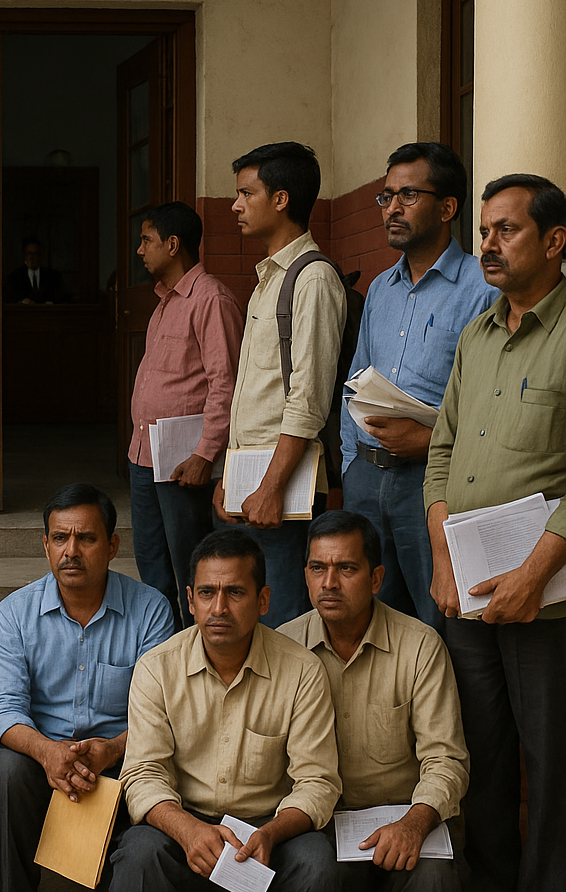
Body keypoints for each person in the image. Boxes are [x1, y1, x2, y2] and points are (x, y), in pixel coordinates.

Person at [424, 173, 566, 892]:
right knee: (480, 753)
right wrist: (444, 559)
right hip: (468, 593)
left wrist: (535, 574)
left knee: (551, 761)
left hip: (547, 599)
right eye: (484, 231)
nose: (488, 245)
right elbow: (442, 451)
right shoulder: (478, 334)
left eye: (505, 230)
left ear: (554, 240)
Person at [110, 529, 340, 892]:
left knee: (315, 860)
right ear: (190, 600)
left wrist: (270, 834)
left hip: (269, 826)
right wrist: (189, 831)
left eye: (235, 592)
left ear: (263, 599)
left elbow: (317, 781)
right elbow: (142, 774)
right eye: (207, 593)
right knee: (139, 852)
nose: (219, 608)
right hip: (185, 819)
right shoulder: (157, 668)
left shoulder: (302, 669)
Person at [0, 483, 174, 892]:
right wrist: (47, 752)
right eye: (60, 538)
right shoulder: (14, 612)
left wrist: (112, 749)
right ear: (45, 545)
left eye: (86, 538)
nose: (72, 551)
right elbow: (3, 709)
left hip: (122, 758)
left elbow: (162, 713)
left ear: (112, 545)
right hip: (41, 759)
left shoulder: (151, 609)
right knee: (1, 770)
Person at [341, 143, 494, 629]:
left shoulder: (483, 287)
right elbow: (355, 384)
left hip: (435, 483)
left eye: (408, 195)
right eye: (386, 197)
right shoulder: (380, 290)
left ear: (448, 207)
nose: (392, 208)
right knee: (372, 624)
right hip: (366, 479)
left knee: (440, 623)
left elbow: (493, 406)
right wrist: (351, 466)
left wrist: (429, 443)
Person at [279, 511, 468, 891]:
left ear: (377, 578)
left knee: (433, 878)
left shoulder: (419, 646)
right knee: (312, 869)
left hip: (405, 816)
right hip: (318, 824)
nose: (329, 583)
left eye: (346, 568)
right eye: (318, 568)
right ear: (306, 576)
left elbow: (446, 759)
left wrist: (414, 824)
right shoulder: (283, 646)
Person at [214, 142, 346, 627]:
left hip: (283, 489)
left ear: (282, 199)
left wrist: (271, 487)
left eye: (247, 193)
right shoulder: (269, 278)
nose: (236, 205)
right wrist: (230, 477)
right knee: (243, 621)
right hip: (248, 481)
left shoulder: (311, 279)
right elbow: (254, 394)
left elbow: (307, 401)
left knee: (283, 623)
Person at [129, 201, 243, 628]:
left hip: (183, 464)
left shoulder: (210, 299)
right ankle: (164, 655)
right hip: (143, 455)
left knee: (190, 569)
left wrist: (205, 454)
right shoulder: (165, 301)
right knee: (152, 569)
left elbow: (225, 384)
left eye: (146, 240)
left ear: (173, 245)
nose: (140, 251)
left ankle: (199, 653)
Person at [4, 236, 68, 304]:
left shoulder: (53, 276)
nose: (32, 257)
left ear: (40, 256)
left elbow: (59, 298)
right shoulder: (15, 277)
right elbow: (10, 299)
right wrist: (22, 302)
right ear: (24, 256)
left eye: (35, 253)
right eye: (29, 253)